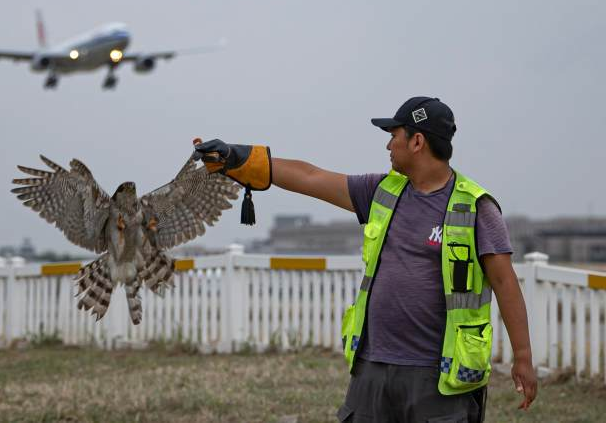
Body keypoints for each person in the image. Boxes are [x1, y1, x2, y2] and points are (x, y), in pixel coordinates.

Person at [193, 96, 537, 423]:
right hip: (372, 367)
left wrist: (522, 356)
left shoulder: (476, 207)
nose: (389, 146)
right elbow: (312, 178)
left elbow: (505, 283)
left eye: (394, 136)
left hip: (439, 374)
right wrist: (239, 159)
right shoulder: (382, 192)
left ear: (417, 142)